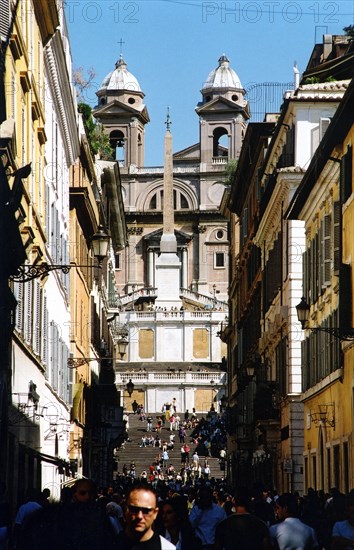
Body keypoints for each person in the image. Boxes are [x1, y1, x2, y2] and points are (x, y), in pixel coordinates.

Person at [116, 484, 175, 549]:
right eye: (134, 509)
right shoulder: (108, 544)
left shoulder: (167, 548)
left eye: (146, 511)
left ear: (155, 513)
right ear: (126, 509)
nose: (139, 516)